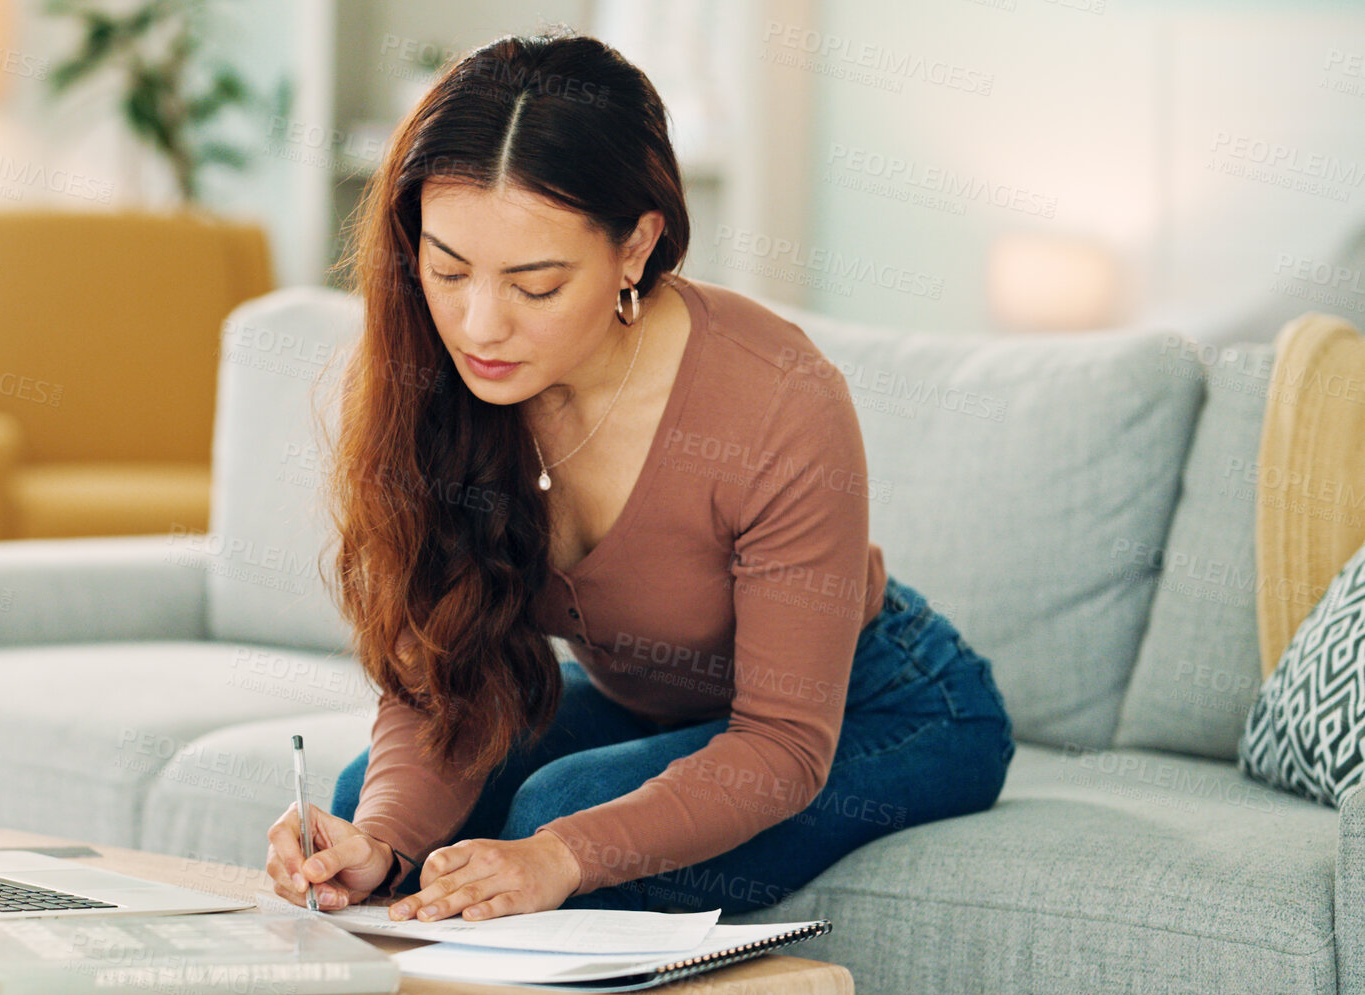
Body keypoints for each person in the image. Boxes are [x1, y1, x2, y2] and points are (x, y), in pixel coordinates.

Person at [264, 30, 1015, 922]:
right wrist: (378, 843)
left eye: (534, 286)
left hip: (887, 705)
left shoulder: (777, 399)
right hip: (656, 705)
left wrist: (562, 855)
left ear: (635, 247)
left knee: (555, 818)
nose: (478, 325)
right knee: (368, 804)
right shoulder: (439, 380)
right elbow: (442, 681)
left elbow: (778, 742)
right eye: (447, 269)